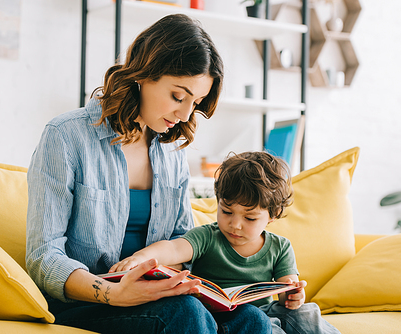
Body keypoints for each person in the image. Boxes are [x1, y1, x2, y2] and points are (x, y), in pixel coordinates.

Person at [26, 14, 273, 334]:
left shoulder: (172, 153)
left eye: (195, 102)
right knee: (183, 313)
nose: (185, 114)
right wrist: (113, 293)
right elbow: (44, 256)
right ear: (144, 74)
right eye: (178, 96)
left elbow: (184, 243)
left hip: (157, 299)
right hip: (88, 302)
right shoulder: (66, 136)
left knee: (252, 319)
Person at [111, 151, 341, 334]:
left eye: (249, 218)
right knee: (262, 323)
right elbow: (173, 248)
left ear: (273, 214)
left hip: (265, 311)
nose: (235, 225)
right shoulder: (207, 237)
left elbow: (286, 287)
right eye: (226, 211)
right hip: (220, 316)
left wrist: (293, 296)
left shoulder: (280, 247)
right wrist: (141, 257)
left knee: (304, 313)